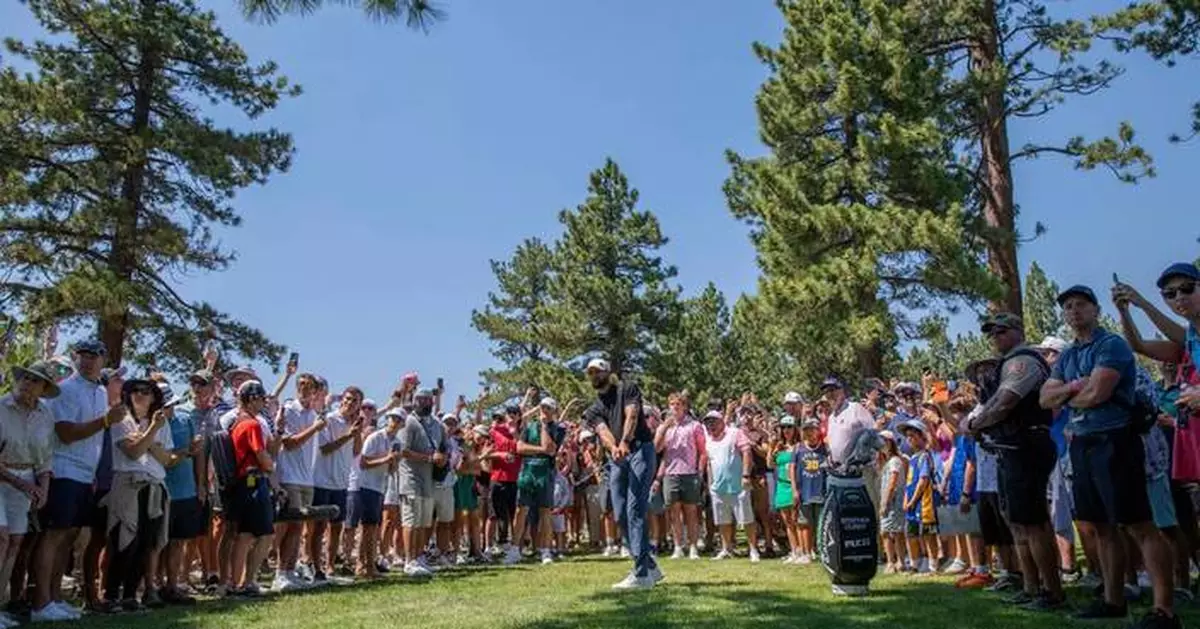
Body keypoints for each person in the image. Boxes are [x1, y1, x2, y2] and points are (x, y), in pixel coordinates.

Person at [1041, 285, 1178, 628]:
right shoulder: (1070, 355)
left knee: (1138, 524)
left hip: (1114, 440)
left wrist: (1068, 394)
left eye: (1081, 305)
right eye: (1068, 307)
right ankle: (1113, 599)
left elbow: (1099, 393)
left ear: (1095, 310)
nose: (1074, 311)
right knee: (1099, 526)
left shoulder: (1111, 345)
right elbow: (1045, 398)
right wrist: (1075, 388)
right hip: (1082, 443)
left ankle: (1164, 609)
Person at [964, 312, 1064, 610]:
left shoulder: (1023, 361)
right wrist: (981, 421)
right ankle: (1031, 585)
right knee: (1018, 523)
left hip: (1026, 444)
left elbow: (1004, 402)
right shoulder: (1008, 364)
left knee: (1033, 522)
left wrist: (975, 424)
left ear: (1018, 330)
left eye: (1001, 331)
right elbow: (995, 403)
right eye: (991, 333)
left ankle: (1051, 590)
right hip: (1009, 447)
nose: (995, 337)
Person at [1115, 262, 1200, 599]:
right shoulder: (1190, 336)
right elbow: (1138, 345)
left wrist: (1142, 302)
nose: (1178, 297)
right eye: (1169, 293)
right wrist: (1126, 310)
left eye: (1187, 288)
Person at [32, 340, 124, 623]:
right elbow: (66, 433)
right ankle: (40, 604)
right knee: (54, 535)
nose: (87, 361)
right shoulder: (66, 390)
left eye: (94, 356)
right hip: (63, 469)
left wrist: (95, 474)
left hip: (85, 474)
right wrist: (105, 421)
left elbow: (95, 441)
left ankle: (55, 598)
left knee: (69, 537)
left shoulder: (98, 391)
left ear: (103, 359)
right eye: (82, 355)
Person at [98, 378, 188, 612]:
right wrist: (151, 434)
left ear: (154, 397)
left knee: (146, 544)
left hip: (155, 485)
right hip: (128, 484)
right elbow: (133, 451)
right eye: (135, 390)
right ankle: (110, 596)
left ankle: (130, 596)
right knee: (124, 541)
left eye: (147, 391)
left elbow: (167, 459)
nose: (140, 394)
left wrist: (148, 438)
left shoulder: (161, 423)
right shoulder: (121, 418)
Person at [581, 359, 662, 589]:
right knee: (619, 513)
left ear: (607, 372)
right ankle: (650, 566)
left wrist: (625, 441)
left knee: (635, 508)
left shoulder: (627, 388)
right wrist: (614, 447)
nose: (594, 376)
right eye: (590, 373)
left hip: (640, 450)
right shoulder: (594, 408)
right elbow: (602, 430)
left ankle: (641, 574)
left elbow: (632, 415)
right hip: (618, 457)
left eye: (597, 372)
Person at [0, 362, 58, 629]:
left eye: (35, 381)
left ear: (44, 388)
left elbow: (44, 458)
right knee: (1, 537)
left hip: (26, 479)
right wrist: (22, 484)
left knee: (15, 542)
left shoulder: (44, 415)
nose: (27, 383)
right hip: (4, 477)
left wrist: (43, 487)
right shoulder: (1, 407)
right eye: (24, 378)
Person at [310, 387, 364, 582]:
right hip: (322, 479)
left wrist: (357, 432)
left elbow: (357, 452)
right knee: (318, 526)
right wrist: (348, 435)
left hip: (341, 482)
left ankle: (330, 566)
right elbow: (325, 448)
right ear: (342, 399)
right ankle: (316, 567)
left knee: (336, 527)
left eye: (355, 401)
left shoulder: (353, 425)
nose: (350, 403)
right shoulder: (330, 419)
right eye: (348, 399)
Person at [228, 381, 276, 597]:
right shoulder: (252, 424)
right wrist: (271, 466)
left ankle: (237, 581)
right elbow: (262, 457)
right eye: (260, 398)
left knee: (245, 535)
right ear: (252, 399)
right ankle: (246, 581)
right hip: (253, 482)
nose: (263, 402)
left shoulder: (238, 423)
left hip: (241, 485)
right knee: (264, 535)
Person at [507, 398, 565, 566]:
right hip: (527, 472)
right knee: (521, 511)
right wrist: (540, 450)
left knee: (545, 512)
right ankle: (514, 550)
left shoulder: (558, 429)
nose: (544, 410)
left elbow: (551, 448)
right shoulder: (529, 426)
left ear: (553, 411)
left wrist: (544, 427)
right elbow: (520, 448)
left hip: (545, 473)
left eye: (548, 408)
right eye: (542, 407)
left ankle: (545, 551)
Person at [396, 389, 446, 578]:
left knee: (422, 521)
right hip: (410, 477)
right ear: (415, 401)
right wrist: (429, 458)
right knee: (410, 519)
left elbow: (442, 447)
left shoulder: (436, 425)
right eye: (421, 399)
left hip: (428, 478)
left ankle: (418, 556)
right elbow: (404, 451)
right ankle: (409, 560)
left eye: (428, 400)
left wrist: (442, 458)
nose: (425, 403)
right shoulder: (408, 422)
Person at [350, 408, 403, 580]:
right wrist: (386, 459)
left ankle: (368, 565)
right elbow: (363, 463)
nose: (395, 422)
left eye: (399, 419)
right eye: (393, 418)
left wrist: (394, 461)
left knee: (372, 528)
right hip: (366, 485)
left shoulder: (396, 442)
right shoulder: (375, 437)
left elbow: (392, 469)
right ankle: (364, 565)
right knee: (368, 528)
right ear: (387, 419)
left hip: (380, 487)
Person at [701, 410, 759, 562]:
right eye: (708, 422)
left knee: (747, 519)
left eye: (713, 421)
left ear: (721, 422)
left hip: (738, 485)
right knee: (723, 521)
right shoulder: (708, 440)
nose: (710, 425)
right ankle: (726, 549)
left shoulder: (734, 433)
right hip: (718, 487)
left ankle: (753, 549)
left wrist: (746, 475)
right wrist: (710, 484)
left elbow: (747, 453)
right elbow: (709, 463)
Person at [655, 392, 705, 561]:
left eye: (678, 404)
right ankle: (678, 546)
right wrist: (662, 429)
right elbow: (657, 449)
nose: (675, 407)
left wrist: (700, 471)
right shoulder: (666, 427)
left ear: (684, 407)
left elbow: (703, 450)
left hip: (689, 473)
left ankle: (692, 547)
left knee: (691, 512)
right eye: (672, 404)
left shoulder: (694, 426)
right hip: (670, 473)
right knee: (673, 513)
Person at [793, 418, 828, 564]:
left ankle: (823, 552)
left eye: (812, 429)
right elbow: (792, 469)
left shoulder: (825, 448)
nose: (809, 432)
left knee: (822, 523)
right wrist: (795, 490)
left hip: (821, 491)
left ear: (818, 430)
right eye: (806, 429)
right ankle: (807, 553)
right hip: (804, 492)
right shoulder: (798, 448)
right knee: (805, 523)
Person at [876, 431, 906, 574]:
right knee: (893, 531)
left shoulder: (894, 461)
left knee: (887, 532)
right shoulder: (886, 462)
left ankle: (892, 562)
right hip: (890, 500)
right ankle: (898, 561)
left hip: (893, 501)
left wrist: (885, 502)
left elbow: (893, 481)